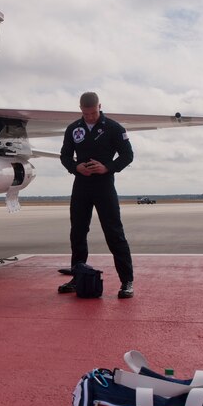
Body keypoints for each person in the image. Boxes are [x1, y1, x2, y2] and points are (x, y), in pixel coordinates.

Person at [58, 92, 134, 298]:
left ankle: (127, 281)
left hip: (104, 186)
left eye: (93, 112)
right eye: (86, 113)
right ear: (80, 109)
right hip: (81, 185)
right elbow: (64, 156)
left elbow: (128, 155)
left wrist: (107, 167)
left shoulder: (114, 128)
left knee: (114, 233)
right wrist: (76, 167)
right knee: (78, 233)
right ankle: (77, 276)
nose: (90, 116)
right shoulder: (73, 128)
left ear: (99, 106)